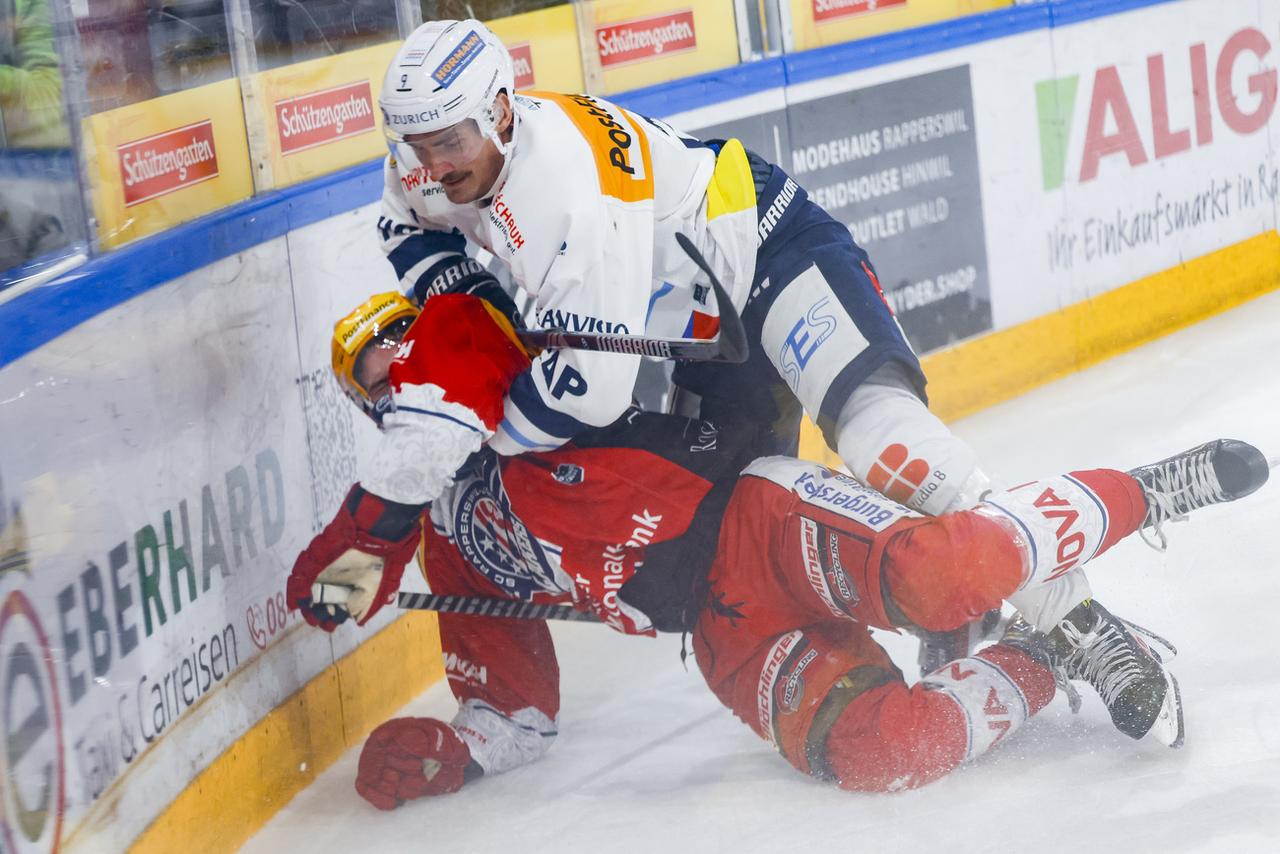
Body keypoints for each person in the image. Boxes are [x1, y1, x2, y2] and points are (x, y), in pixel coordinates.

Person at [367, 19, 1167, 699]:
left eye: (448, 143)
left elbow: (592, 393)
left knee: (887, 447)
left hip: (771, 252)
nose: (431, 166)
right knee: (760, 532)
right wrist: (481, 305)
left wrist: (473, 428)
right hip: (708, 345)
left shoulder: (566, 191)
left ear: (502, 113)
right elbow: (408, 224)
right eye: (414, 146)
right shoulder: (425, 165)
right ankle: (958, 603)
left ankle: (1079, 621)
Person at [285, 292, 1270, 808]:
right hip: (723, 634)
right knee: (874, 748)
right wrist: (453, 751)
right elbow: (492, 692)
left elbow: (736, 350)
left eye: (416, 361)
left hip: (755, 521)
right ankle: (1044, 656)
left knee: (936, 576)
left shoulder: (556, 378)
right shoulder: (447, 524)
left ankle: (1147, 489)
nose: (411, 391)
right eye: (384, 387)